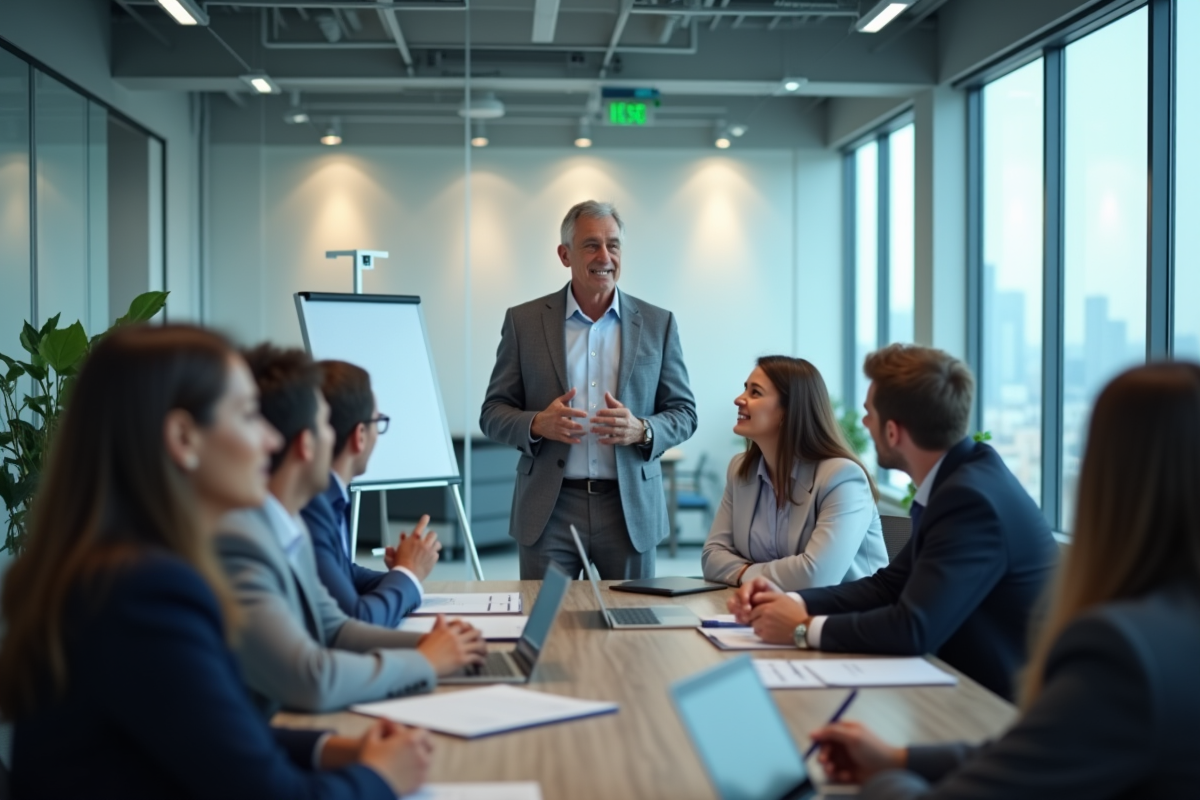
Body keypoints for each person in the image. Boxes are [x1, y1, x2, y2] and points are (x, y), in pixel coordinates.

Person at [0, 325, 432, 798]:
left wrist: (332, 749)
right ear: (184, 438)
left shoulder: (123, 570)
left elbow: (213, 732)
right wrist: (380, 776)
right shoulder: (146, 592)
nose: (271, 440)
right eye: (249, 415)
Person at [807, 362, 1200, 798]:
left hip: (989, 700)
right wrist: (900, 760)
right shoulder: (1174, 626)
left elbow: (913, 627)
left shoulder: (1122, 650)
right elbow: (1049, 751)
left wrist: (877, 782)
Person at [731, 344, 1057, 700]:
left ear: (892, 432)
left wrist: (802, 628)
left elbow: (914, 628)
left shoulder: (971, 500)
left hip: (993, 705)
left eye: (870, 413)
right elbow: (888, 587)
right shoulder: (961, 478)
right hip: (956, 686)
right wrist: (790, 599)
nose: (865, 423)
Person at [217, 345, 485, 716]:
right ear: (306, 444)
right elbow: (313, 678)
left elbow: (337, 629)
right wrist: (425, 661)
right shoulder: (241, 539)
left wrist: (438, 643)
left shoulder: (287, 522)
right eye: (324, 423)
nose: (332, 437)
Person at [480, 200, 698, 580]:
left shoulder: (657, 323)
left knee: (633, 629)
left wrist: (642, 430)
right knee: (544, 629)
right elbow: (493, 412)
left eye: (613, 245)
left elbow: (684, 412)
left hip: (628, 507)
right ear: (565, 255)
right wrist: (537, 424)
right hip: (550, 508)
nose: (605, 256)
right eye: (590, 245)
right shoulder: (524, 322)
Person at [702, 356, 887, 589]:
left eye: (755, 393)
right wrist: (777, 575)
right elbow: (712, 557)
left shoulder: (843, 478)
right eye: (745, 390)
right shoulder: (740, 470)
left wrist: (742, 572)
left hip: (845, 620)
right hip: (768, 614)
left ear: (788, 411)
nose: (739, 400)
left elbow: (815, 577)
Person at [300, 359, 440, 627]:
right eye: (379, 421)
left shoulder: (331, 497)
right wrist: (407, 572)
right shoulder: (312, 505)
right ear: (360, 435)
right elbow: (357, 619)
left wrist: (405, 569)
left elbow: (343, 572)